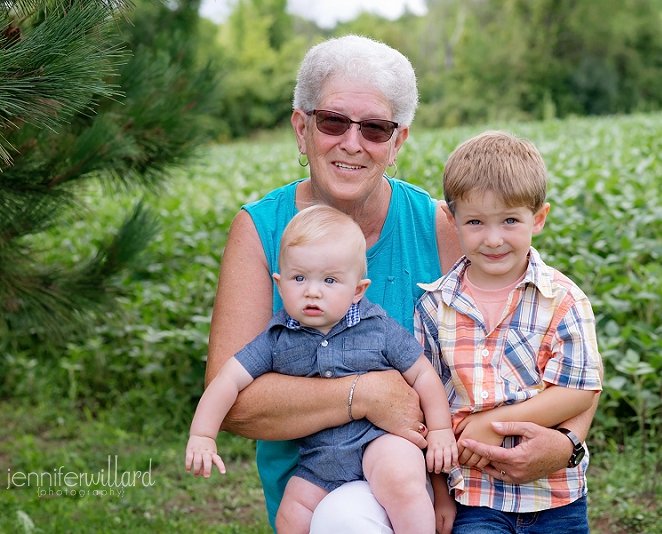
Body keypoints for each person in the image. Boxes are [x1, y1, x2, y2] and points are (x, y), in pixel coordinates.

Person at [205, 34, 600, 533]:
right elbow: (233, 403)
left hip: (450, 491)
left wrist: (567, 445)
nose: (353, 142)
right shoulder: (261, 229)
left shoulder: (444, 226)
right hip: (318, 490)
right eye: (333, 121)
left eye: (375, 128)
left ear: (398, 143)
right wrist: (363, 394)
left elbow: (554, 342)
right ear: (301, 128)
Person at [186, 206, 457, 534]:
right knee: (291, 515)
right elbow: (227, 380)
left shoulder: (377, 328)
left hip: (381, 441)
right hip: (321, 459)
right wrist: (202, 434)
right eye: (299, 278)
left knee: (401, 481)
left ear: (358, 290)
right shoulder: (276, 340)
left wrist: (441, 430)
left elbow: (424, 375)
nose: (312, 291)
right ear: (280, 284)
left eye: (329, 280)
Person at [414, 130, 604, 534]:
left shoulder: (564, 300)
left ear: (539, 218)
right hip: (474, 498)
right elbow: (425, 409)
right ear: (453, 221)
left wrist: (497, 423)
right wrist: (439, 492)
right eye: (476, 222)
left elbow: (580, 389)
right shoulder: (434, 306)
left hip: (557, 497)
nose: (494, 239)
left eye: (511, 220)